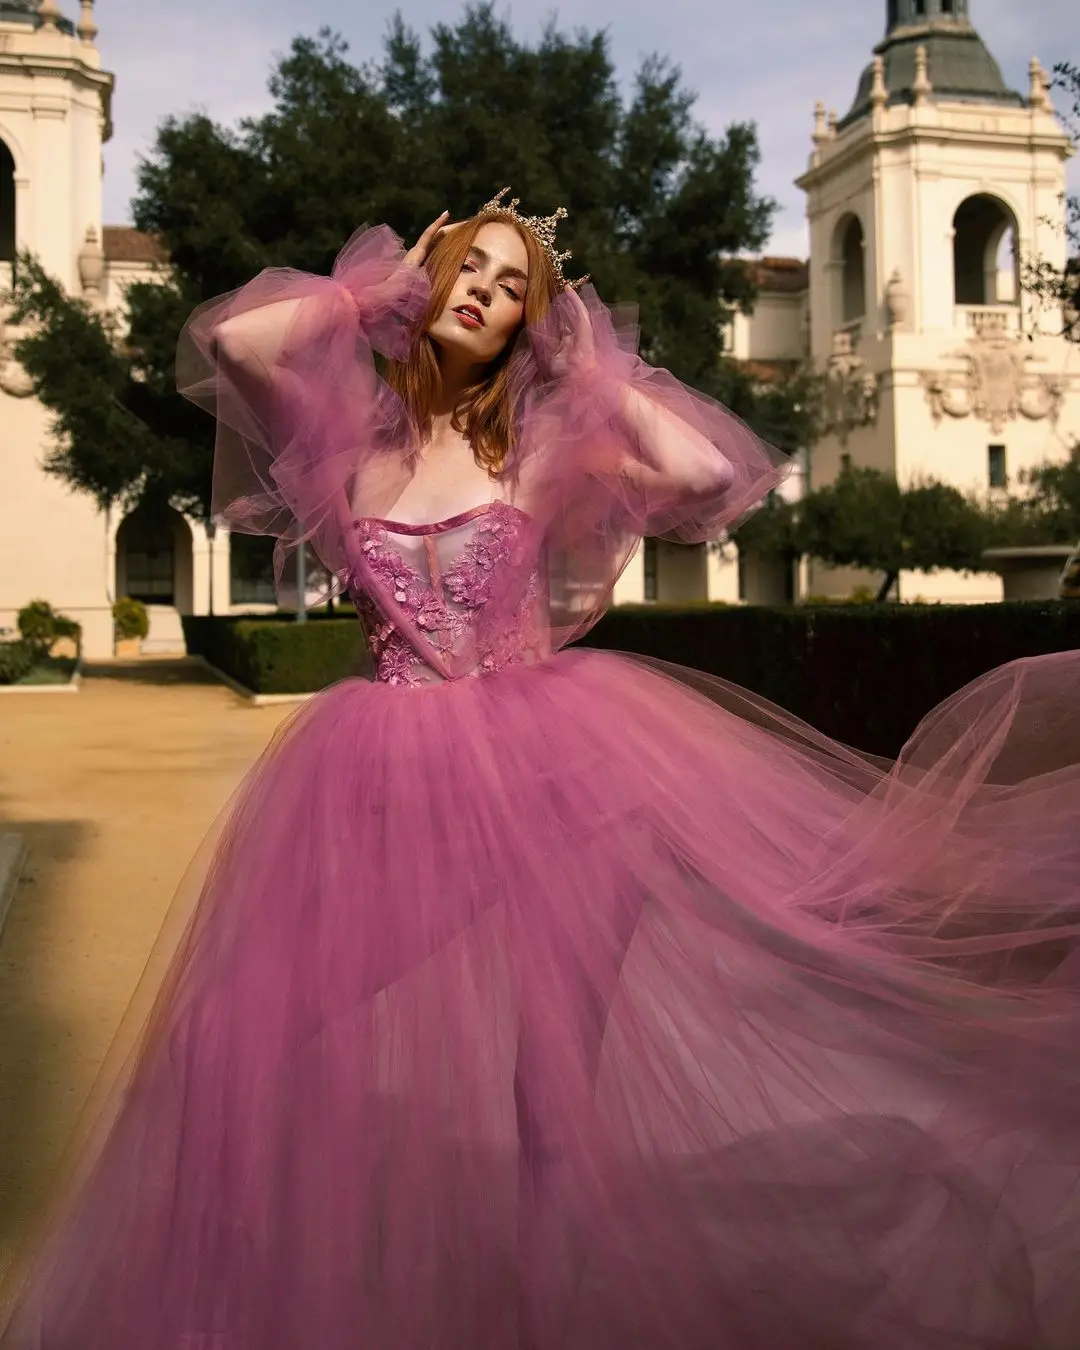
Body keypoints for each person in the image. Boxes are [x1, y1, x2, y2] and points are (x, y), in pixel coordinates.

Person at [2, 189, 1079, 1350]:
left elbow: (708, 472)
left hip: (569, 781)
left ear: (529, 327)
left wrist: (597, 369)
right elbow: (235, 342)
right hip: (379, 775)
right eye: (474, 269)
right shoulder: (350, 440)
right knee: (226, 1042)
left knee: (553, 1102)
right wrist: (374, 289)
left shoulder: (545, 445)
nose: (488, 293)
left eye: (516, 289)